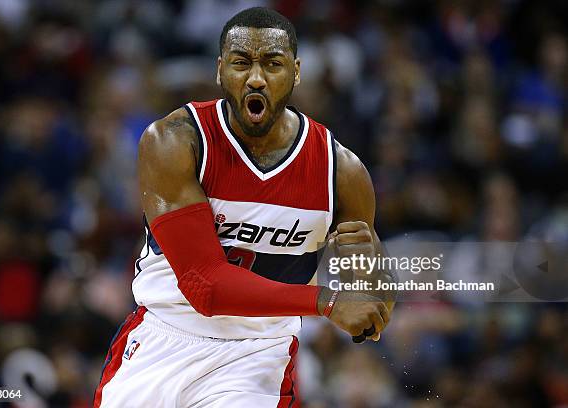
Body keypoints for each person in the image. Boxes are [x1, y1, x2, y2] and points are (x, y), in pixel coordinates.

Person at [94, 7, 395, 408]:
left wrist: (371, 284)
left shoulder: (340, 171)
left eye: (272, 64)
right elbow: (206, 287)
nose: (256, 78)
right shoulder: (175, 141)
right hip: (163, 338)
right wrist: (327, 301)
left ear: (296, 71)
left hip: (257, 355)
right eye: (241, 63)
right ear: (220, 70)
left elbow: (374, 302)